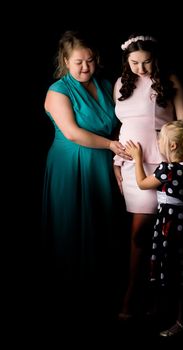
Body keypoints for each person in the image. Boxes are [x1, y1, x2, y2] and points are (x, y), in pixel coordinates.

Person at [42, 30, 130, 290]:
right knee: (72, 223)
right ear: (66, 61)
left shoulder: (105, 84)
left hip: (102, 162)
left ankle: (100, 281)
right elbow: (72, 132)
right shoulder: (57, 90)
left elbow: (118, 122)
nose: (85, 67)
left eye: (90, 60)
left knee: (101, 222)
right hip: (70, 164)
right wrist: (111, 145)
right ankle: (70, 285)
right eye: (78, 61)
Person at [113, 33, 183, 319]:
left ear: (155, 59)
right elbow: (125, 126)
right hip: (128, 165)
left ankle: (132, 298)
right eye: (134, 62)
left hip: (157, 165)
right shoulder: (121, 83)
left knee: (141, 234)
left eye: (146, 62)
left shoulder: (169, 80)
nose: (141, 69)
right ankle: (151, 298)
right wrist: (116, 164)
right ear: (126, 60)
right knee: (147, 236)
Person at [125, 120, 183, 337]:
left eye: (161, 139)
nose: (158, 141)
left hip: (170, 227)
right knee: (182, 270)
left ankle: (181, 320)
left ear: (172, 146)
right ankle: (176, 312)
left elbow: (142, 183)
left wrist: (138, 158)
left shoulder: (167, 169)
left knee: (173, 270)